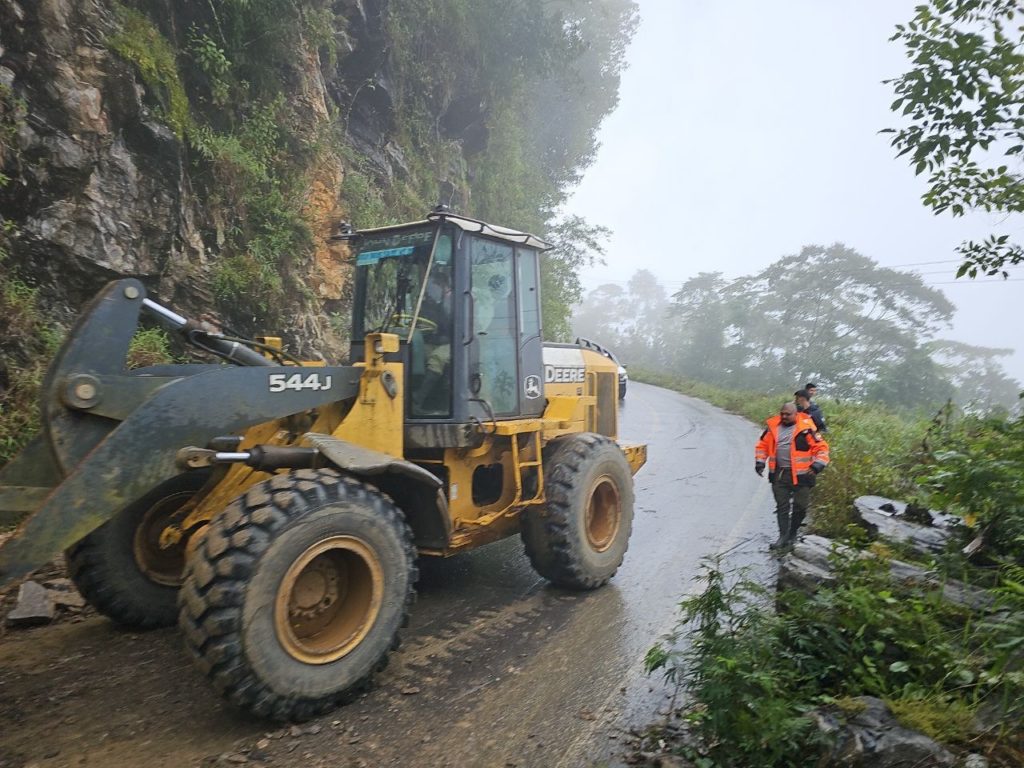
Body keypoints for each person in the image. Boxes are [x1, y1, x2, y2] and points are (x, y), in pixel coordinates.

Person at [755, 402, 830, 551]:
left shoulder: (806, 429)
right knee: (782, 507)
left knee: (800, 507)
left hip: (802, 476)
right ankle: (783, 536)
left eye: (788, 414)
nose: (784, 416)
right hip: (779, 474)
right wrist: (760, 462)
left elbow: (822, 448)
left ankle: (793, 533)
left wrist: (817, 465)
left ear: (796, 414)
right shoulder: (772, 428)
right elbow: (762, 446)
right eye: (782, 413)